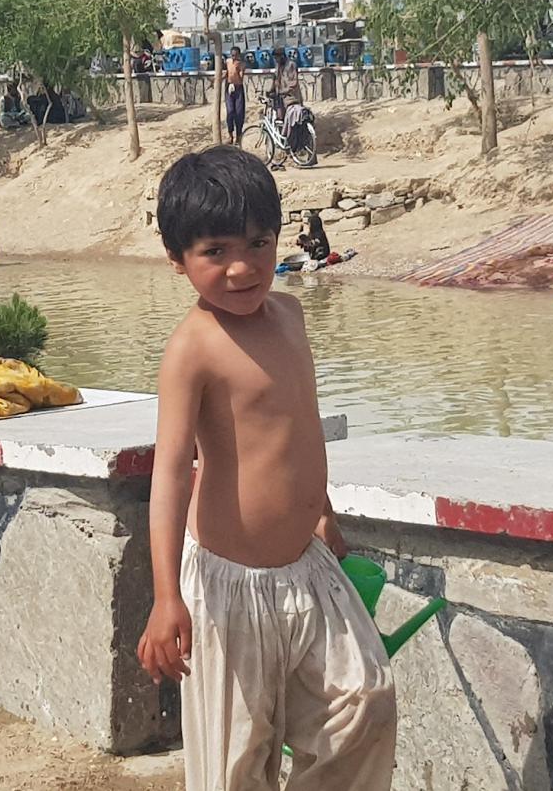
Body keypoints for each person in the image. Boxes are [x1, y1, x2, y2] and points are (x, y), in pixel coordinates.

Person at [138, 146, 396, 790]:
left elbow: (298, 425)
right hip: (228, 582)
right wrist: (167, 596)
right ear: (178, 261)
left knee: (363, 702)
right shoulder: (192, 349)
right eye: (215, 251)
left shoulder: (291, 314)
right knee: (235, 761)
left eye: (257, 243)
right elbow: (170, 472)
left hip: (306, 567)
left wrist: (323, 511)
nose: (242, 267)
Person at [225, 46, 246, 145]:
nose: (233, 57)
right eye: (232, 55)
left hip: (238, 88)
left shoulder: (241, 64)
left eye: (235, 55)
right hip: (229, 87)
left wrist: (238, 69)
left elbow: (241, 78)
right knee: (230, 112)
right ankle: (230, 135)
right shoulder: (228, 62)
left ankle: (238, 136)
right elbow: (225, 73)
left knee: (239, 113)